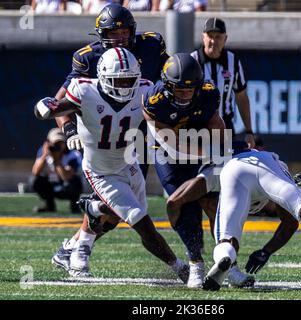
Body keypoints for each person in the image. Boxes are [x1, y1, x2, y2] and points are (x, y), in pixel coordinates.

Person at [34, 47, 189, 282]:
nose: (126, 86)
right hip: (100, 171)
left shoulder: (145, 89)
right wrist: (60, 121)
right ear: (104, 77)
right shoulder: (85, 90)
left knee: (117, 218)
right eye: (120, 80)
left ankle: (76, 241)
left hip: (129, 163)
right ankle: (179, 268)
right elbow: (52, 108)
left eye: (130, 79)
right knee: (142, 223)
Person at [51, 3, 169, 275]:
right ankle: (79, 247)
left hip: (137, 131)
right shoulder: (89, 58)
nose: (119, 38)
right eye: (112, 33)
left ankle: (72, 247)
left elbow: (169, 74)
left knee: (117, 211)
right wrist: (69, 131)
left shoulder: (150, 46)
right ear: (101, 35)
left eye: (124, 32)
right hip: (104, 136)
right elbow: (59, 102)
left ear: (133, 31)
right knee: (123, 207)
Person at [142, 53, 226, 288]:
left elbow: (217, 127)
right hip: (166, 149)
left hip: (199, 144)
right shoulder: (153, 99)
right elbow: (170, 142)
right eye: (179, 90)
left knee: (213, 203)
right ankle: (196, 263)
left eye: (189, 90)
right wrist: (204, 152)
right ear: (168, 86)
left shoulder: (209, 93)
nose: (184, 95)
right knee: (183, 203)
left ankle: (227, 261)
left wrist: (219, 152)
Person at [202, 148, 301, 291]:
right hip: (266, 165)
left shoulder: (212, 174)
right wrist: (266, 251)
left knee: (226, 240)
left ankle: (224, 257)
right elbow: (290, 222)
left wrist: (266, 251)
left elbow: (192, 189)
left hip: (235, 167)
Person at [191, 18, 255, 148]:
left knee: (225, 167)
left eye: (218, 37)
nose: (213, 41)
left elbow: (241, 97)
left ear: (225, 39)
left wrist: (249, 131)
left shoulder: (233, 61)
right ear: (203, 37)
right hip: (197, 126)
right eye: (210, 36)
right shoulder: (192, 61)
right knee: (196, 166)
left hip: (225, 126)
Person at [31, 128, 83, 213]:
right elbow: (35, 172)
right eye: (55, 143)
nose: (58, 146)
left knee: (75, 182)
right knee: (34, 180)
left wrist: (57, 160)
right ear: (48, 143)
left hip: (66, 188)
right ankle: (49, 205)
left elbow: (66, 178)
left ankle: (74, 205)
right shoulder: (44, 152)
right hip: (51, 186)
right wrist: (45, 155)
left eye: (60, 143)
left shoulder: (73, 155)